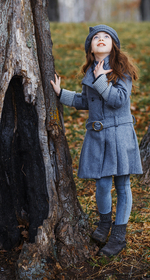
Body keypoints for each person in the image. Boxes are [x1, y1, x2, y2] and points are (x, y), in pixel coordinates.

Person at [50, 25, 143, 257]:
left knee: (122, 185)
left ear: (114, 45)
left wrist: (102, 79)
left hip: (119, 135)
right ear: (90, 47)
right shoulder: (91, 71)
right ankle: (104, 223)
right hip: (98, 137)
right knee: (101, 185)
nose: (100, 39)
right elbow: (85, 102)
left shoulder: (122, 70)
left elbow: (118, 100)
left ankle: (119, 236)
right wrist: (62, 94)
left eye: (106, 37)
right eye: (96, 38)